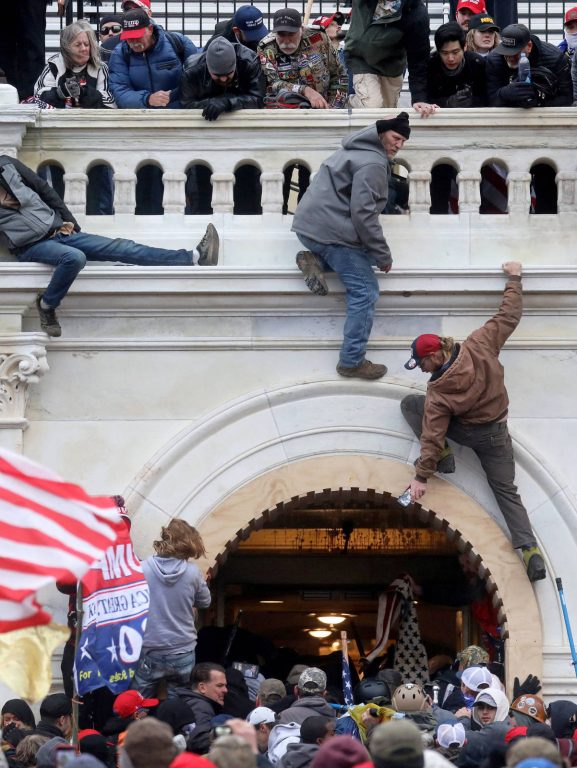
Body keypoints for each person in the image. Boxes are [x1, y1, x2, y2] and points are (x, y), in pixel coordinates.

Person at [400, 261, 547, 583]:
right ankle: (529, 549)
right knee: (506, 491)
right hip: (496, 434)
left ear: (435, 355)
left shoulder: (437, 392)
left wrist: (422, 476)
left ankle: (446, 459)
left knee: (412, 405)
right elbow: (509, 316)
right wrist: (514, 277)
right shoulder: (480, 344)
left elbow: (432, 435)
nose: (421, 369)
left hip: (467, 432)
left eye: (422, 362)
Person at [0, 155, 219, 337]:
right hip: (31, 246)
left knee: (123, 247)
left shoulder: (7, 164)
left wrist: (70, 221)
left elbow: (43, 189)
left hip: (61, 231)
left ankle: (192, 257)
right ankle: (48, 305)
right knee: (74, 258)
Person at [292, 113, 411, 380]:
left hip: (310, 228)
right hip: (331, 232)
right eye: (396, 138)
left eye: (403, 141)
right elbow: (364, 214)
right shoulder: (373, 163)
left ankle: (316, 261)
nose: (399, 145)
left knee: (360, 257)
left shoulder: (355, 149)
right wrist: (383, 256)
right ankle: (351, 360)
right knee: (366, 290)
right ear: (382, 134)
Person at [134, 519, 211, 699]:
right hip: (182, 648)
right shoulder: (192, 572)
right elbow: (205, 602)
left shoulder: (142, 569)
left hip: (149, 648)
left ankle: (137, 726)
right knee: (182, 704)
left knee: (139, 703)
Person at [345, 0, 430, 109]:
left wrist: (419, 98)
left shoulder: (416, 12)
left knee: (387, 112)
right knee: (372, 106)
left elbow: (419, 59)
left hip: (391, 67)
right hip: (361, 59)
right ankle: (344, 104)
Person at [258, 8, 348, 109]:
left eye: (291, 34)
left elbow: (339, 75)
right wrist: (305, 90)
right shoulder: (266, 47)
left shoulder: (320, 38)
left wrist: (334, 108)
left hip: (323, 109)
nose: (286, 41)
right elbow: (273, 83)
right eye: (281, 34)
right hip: (284, 111)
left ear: (301, 29)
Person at [108, 8, 197, 109]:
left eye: (138, 36)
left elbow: (198, 79)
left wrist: (175, 95)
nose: (134, 42)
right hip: (141, 118)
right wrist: (147, 99)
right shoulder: (120, 53)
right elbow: (119, 91)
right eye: (129, 37)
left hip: (180, 115)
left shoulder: (178, 42)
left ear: (150, 29)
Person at [486, 23, 573, 108]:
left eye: (515, 53)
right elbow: (489, 100)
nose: (509, 57)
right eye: (505, 52)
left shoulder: (554, 58)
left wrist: (539, 102)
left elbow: (567, 98)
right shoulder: (495, 59)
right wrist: (506, 93)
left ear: (529, 46)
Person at [34, 20, 115, 109]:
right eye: (78, 45)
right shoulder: (54, 65)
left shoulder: (100, 67)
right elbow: (37, 98)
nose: (83, 49)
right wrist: (60, 93)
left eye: (87, 44)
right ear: (66, 47)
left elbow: (110, 102)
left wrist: (84, 92)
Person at [413, 21, 487, 118]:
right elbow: (424, 100)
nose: (451, 58)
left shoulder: (477, 63)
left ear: (464, 47)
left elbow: (487, 98)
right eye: (444, 53)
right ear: (438, 51)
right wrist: (447, 103)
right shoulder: (430, 65)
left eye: (455, 52)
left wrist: (471, 101)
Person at [181, 37, 266, 120]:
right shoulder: (192, 72)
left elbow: (259, 98)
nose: (223, 79)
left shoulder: (249, 63)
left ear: (235, 65)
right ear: (208, 68)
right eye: (217, 75)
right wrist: (212, 103)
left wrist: (228, 102)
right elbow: (187, 105)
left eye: (228, 74)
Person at [177, 662, 229, 755]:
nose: (225, 690)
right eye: (220, 685)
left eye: (225, 685)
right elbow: (199, 740)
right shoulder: (201, 706)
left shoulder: (190, 700)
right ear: (202, 687)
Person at [205, 5, 269, 53]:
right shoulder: (215, 46)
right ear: (236, 31)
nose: (257, 38)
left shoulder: (264, 40)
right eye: (252, 35)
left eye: (259, 32)